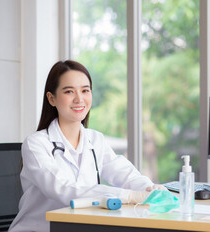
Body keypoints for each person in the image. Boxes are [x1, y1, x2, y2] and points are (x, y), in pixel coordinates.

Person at [9, 60, 166, 232]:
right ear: (51, 98)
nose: (79, 99)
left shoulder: (95, 139)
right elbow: (64, 190)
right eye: (69, 91)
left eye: (85, 90)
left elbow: (124, 173)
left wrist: (149, 188)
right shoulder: (36, 144)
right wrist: (129, 196)